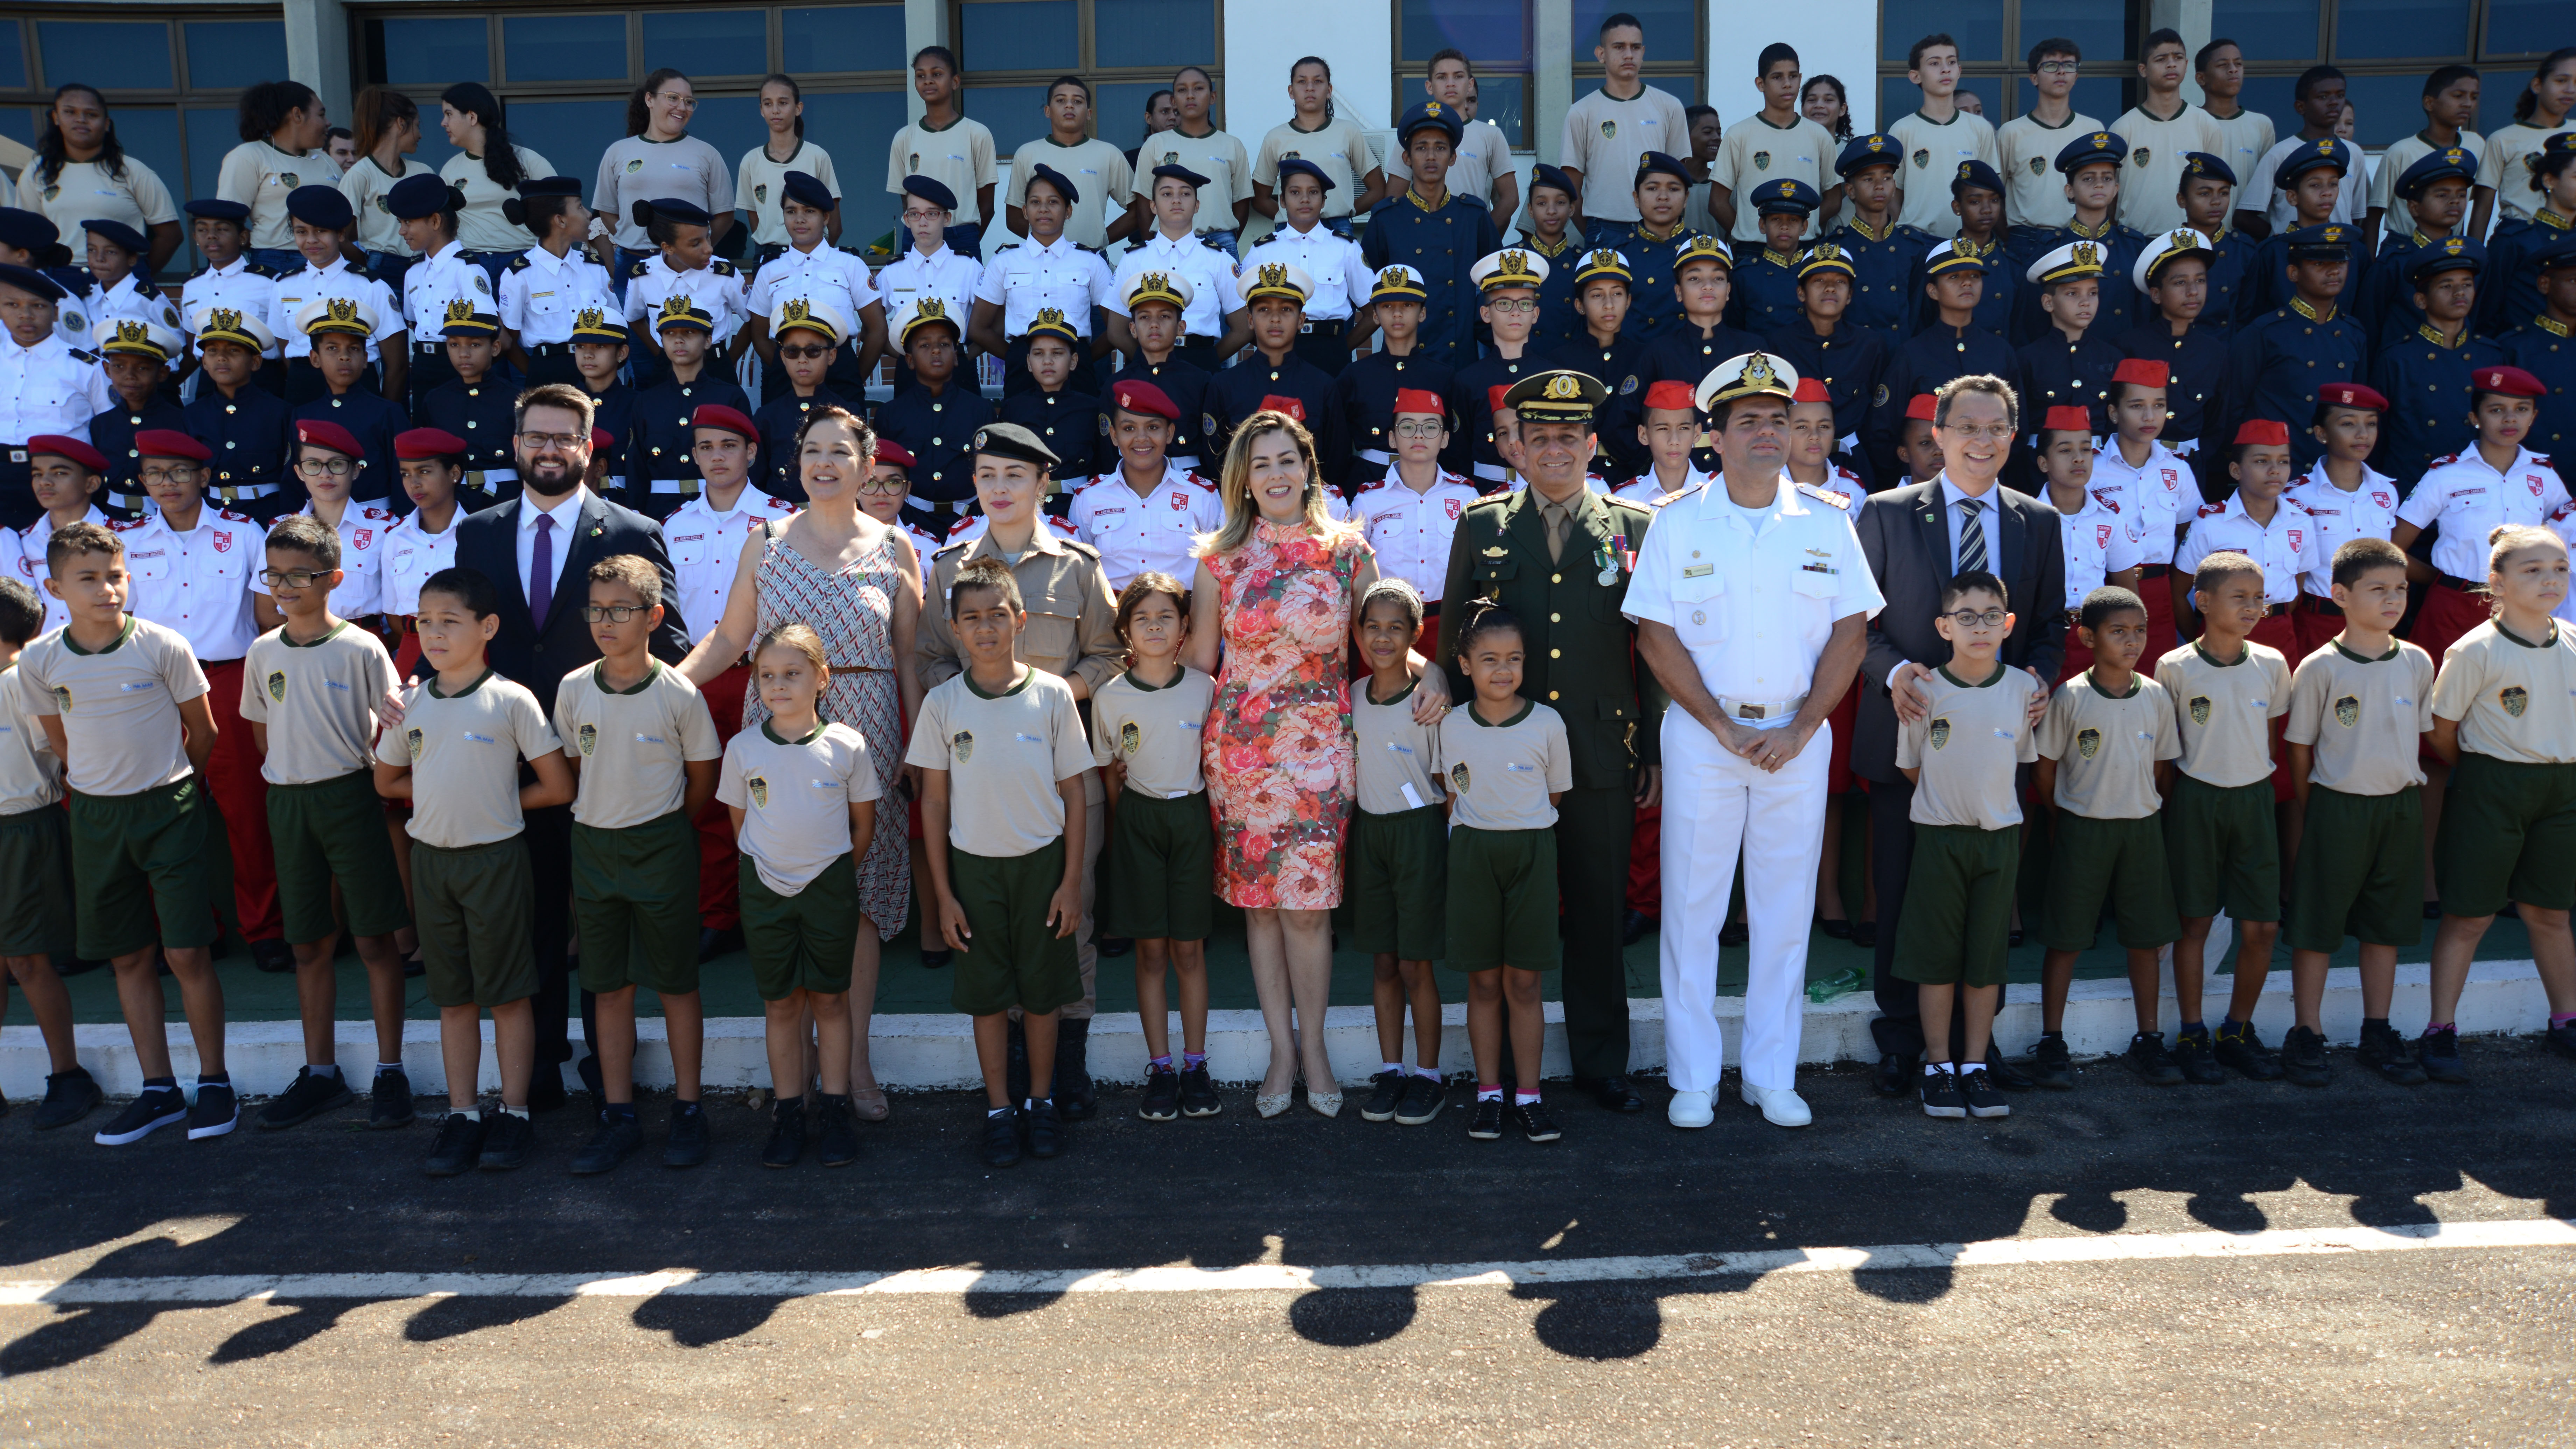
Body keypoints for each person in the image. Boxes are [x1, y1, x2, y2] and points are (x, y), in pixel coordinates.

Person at [1626, 352, 1874, 1129]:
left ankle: (1771, 1074)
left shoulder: (1827, 521)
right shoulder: (1677, 522)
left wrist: (1802, 727)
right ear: (1715, 436)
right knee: (1694, 911)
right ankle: (1693, 1078)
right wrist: (1719, 725)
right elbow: (1655, 636)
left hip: (1797, 736)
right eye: (1750, 421)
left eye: (1780, 419)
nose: (1769, 433)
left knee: (1783, 911)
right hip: (1706, 735)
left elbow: (1851, 630)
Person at [451, 384, 690, 1110]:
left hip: (604, 761)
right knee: (529, 918)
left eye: (565, 438)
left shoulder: (632, 529)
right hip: (507, 757)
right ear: (515, 443)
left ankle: (607, 1072)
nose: (549, 450)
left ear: (589, 447)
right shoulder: (478, 531)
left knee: (603, 921)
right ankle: (543, 1064)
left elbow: (670, 642)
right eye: (536, 437)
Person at [1186, 410, 1432, 1114]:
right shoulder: (1217, 559)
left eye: (1285, 461)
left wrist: (1431, 671)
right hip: (1239, 754)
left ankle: (1316, 1047)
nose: (1275, 475)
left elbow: (1383, 640)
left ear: (1307, 469)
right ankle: (1280, 1052)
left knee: (1308, 908)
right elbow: (1201, 665)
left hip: (1321, 750)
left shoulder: (1348, 552)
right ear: (1243, 478)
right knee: (1261, 912)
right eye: (1260, 464)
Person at [682, 404, 916, 1121]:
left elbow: (909, 656)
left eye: (839, 452)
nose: (824, 463)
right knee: (782, 887)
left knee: (860, 901)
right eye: (811, 450)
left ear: (866, 465)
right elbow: (729, 640)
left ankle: (855, 1065)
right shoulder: (767, 541)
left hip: (870, 729)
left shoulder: (895, 547)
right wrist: (660, 687)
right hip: (776, 728)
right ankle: (799, 1062)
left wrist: (914, 744)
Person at [1438, 372, 1657, 1114]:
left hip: (1599, 749)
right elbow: (1451, 650)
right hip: (1501, 755)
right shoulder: (1482, 527)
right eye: (1539, 439)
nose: (1554, 450)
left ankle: (1601, 1061)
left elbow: (1653, 649)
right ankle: (1498, 1071)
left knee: (1597, 911)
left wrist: (1651, 749)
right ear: (1517, 449)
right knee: (1501, 914)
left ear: (1592, 444)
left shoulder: (1633, 529)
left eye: (1569, 437)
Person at [1854, 374, 2065, 1092]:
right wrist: (1892, 675)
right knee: (1903, 886)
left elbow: (2044, 631)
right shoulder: (1884, 514)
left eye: (1997, 429)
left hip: (1992, 743)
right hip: (1909, 734)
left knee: (1986, 898)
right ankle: (1901, 1037)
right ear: (1936, 435)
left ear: (2013, 438)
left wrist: (2038, 678)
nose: (1982, 441)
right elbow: (1857, 625)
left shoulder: (2035, 521)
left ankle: (1976, 1047)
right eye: (1966, 428)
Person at [918, 424, 1116, 1106]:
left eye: (1013, 475)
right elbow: (931, 659)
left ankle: (1068, 1064)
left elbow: (1108, 656)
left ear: (1041, 484)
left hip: (1058, 765)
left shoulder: (1077, 567)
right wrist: (987, 695)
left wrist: (1047, 697)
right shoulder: (948, 568)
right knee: (989, 919)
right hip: (980, 774)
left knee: (1072, 914)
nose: (998, 488)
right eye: (986, 475)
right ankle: (1008, 1075)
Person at [24, 521, 230, 1145]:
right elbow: (60, 743)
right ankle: (160, 1090)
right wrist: (101, 787)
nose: (107, 590)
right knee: (129, 956)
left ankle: (214, 1084)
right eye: (88, 579)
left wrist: (170, 788)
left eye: (114, 576)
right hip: (94, 819)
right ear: (55, 587)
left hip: (170, 808)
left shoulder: (163, 644)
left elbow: (206, 733)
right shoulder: (39, 659)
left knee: (188, 951)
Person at [373, 565, 572, 1171]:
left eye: (449, 622)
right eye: (423, 622)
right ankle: (462, 1115)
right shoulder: (410, 703)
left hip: (497, 862)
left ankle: (513, 1114)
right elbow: (387, 779)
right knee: (454, 999)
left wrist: (493, 800)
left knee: (510, 995)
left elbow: (558, 785)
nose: (433, 634)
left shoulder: (511, 699)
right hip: (433, 864)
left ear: (487, 627)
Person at [909, 556, 1090, 1166]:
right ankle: (998, 1108)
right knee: (988, 997)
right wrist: (944, 895)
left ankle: (1040, 1101)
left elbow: (1074, 793)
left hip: (1042, 868)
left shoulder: (1052, 694)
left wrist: (1071, 882)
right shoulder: (943, 703)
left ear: (1022, 619)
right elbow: (933, 803)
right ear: (955, 628)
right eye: (971, 618)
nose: (985, 628)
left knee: (1042, 997)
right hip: (974, 871)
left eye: (997, 615)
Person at [238, 513, 412, 1130]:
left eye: (300, 576)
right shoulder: (262, 652)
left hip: (350, 798)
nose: (285, 587)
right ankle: (320, 1074)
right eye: (275, 576)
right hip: (289, 802)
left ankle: (391, 1071)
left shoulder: (362, 646)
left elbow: (394, 725)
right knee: (308, 943)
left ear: (333, 578)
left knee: (375, 940)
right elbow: (263, 735)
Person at [552, 554, 723, 1173]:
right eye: (596, 610)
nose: (605, 622)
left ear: (653, 617)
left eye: (620, 611)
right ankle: (618, 1115)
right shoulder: (574, 688)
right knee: (607, 986)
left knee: (677, 983)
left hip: (662, 848)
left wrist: (666, 822)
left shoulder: (678, 693)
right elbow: (575, 769)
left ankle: (688, 1108)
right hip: (594, 850)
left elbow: (702, 778)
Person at [115, 429, 288, 974]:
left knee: (247, 812)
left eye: (179, 472)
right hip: (156, 686)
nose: (167, 484)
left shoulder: (244, 534)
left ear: (205, 477)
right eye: (155, 474)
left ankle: (264, 930)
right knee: (163, 812)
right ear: (142, 482)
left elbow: (266, 620)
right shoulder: (127, 541)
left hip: (230, 680)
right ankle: (188, 932)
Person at [2273, 536, 2435, 1089]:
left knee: (2384, 926)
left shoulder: (2416, 660)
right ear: (2339, 595)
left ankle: (2377, 1029)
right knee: (2318, 926)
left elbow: (2416, 738)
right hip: (2337, 807)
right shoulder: (2320, 667)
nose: (2393, 600)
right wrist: (2318, 805)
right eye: (2378, 590)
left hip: (2398, 808)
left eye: (2401, 590)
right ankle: (2308, 1033)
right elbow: (2299, 748)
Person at [718, 622, 877, 1168]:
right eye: (767, 676)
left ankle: (834, 1111)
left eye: (792, 673)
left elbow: (863, 828)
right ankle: (790, 1112)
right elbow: (741, 825)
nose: (778, 685)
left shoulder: (847, 745)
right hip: (765, 889)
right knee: (782, 1002)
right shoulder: (742, 750)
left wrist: (826, 873)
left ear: (823, 678)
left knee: (831, 999)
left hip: (829, 887)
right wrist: (779, 869)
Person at [2426, 524, 2576, 1073]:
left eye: (2559, 567)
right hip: (2491, 787)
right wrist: (2482, 769)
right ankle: (2440, 1029)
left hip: (2562, 791)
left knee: (2551, 912)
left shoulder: (2574, 639)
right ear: (2498, 582)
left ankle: (2566, 1019)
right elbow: (2443, 730)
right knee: (2469, 915)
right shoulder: (2475, 650)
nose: (2550, 579)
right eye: (2532, 570)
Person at [1889, 567, 2037, 1120]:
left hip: (1998, 841)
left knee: (1985, 961)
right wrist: (1947, 807)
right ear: (1943, 626)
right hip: (1938, 839)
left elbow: (2020, 761)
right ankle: (1938, 1066)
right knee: (1937, 960)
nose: (1981, 628)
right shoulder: (1924, 690)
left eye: (1992, 617)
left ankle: (1975, 1065)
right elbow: (1912, 768)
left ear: (2009, 624)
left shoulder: (2025, 689)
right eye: (1966, 617)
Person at [2030, 585, 2184, 1088]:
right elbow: (2046, 770)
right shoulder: (2069, 697)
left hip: (2141, 830)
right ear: (2088, 637)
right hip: (2082, 830)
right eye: (2119, 632)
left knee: (2146, 938)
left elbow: (2163, 770)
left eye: (2139, 631)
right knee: (2067, 938)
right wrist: (2066, 816)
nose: (2132, 641)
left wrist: (2141, 809)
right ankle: (2052, 1040)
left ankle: (2149, 1038)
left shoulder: (2157, 696)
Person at [1437, 597, 1572, 1141]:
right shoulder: (1449, 726)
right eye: (1489, 659)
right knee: (1485, 981)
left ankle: (1531, 1096)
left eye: (1514, 658)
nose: (1503, 670)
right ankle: (1489, 1094)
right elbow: (1450, 795)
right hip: (1472, 855)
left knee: (1524, 981)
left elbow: (1557, 793)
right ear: (1465, 665)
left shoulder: (1547, 723)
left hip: (1533, 854)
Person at [1089, 572, 1218, 1120]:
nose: (1155, 626)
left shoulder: (1205, 688)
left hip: (1191, 817)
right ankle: (1161, 1067)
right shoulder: (1110, 697)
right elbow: (1109, 774)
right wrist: (1130, 824)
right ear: (1126, 631)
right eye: (1142, 618)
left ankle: (1195, 1064)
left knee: (1189, 949)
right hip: (1139, 821)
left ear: (1185, 627)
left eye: (1166, 616)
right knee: (1150, 951)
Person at [1348, 576, 1448, 1126]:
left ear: (1414, 635)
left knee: (1416, 964)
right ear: (1358, 633)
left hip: (1419, 835)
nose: (1382, 638)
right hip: (1371, 835)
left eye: (1395, 628)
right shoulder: (1353, 698)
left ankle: (1427, 1076)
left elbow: (1448, 786)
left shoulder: (1429, 703)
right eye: (1372, 627)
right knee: (1383, 961)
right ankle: (1391, 1071)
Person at [0, 573, 98, 1130]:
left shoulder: (21, 683)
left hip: (23, 828)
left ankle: (68, 1076)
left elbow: (59, 753)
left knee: (28, 960)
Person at [2397, 365, 2570, 660]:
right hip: (2453, 605)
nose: (2510, 418)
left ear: (2534, 417)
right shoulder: (2446, 474)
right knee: (2438, 696)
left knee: (2515, 698)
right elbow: (2393, 547)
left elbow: (2567, 538)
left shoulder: (2545, 477)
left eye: (2521, 409)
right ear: (2475, 418)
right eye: (2496, 410)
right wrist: (2439, 580)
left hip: (2522, 607)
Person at [1362, 102, 1500, 371]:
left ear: (1452, 157)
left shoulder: (1473, 216)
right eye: (1421, 147)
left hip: (1460, 357)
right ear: (1407, 158)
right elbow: (1370, 287)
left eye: (1440, 148)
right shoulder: (1387, 219)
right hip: (1404, 357)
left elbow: (1492, 287)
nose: (1431, 156)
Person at [2218, 224, 2366, 474]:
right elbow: (2232, 408)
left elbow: (2360, 409)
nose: (2333, 271)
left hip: (2330, 473)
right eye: (2319, 264)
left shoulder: (2354, 333)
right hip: (2276, 473)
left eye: (2341, 263)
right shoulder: (2265, 333)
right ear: (2293, 273)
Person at [969, 164, 1118, 399]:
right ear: (1025, 211)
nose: (1044, 210)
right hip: (1022, 365)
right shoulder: (1005, 262)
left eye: (1053, 202)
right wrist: (1016, 355)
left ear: (1068, 211)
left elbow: (1115, 329)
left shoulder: (1090, 262)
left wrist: (1084, 355)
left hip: (1076, 365)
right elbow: (978, 328)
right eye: (1035, 202)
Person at [1869, 242, 2013, 481]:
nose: (1967, 283)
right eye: (1954, 277)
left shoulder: (2001, 352)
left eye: (1974, 276)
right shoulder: (1912, 354)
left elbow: (2017, 427)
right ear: (1933, 291)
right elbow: (1883, 431)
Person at [2369, 238, 2504, 487]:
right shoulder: (2397, 357)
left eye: (2467, 284)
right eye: (2446, 286)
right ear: (2421, 300)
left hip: (2472, 487)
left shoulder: (2490, 356)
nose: (2460, 293)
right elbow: (2379, 434)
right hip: (2412, 485)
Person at [1066, 379, 1222, 594]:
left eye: (1153, 427)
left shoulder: (1201, 496)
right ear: (1114, 435)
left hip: (1183, 616)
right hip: (1111, 617)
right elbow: (1078, 572)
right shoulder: (1089, 498)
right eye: (1129, 428)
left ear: (1169, 433)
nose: (1141, 438)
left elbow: (1219, 571)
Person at [741, 176, 884, 407]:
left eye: (809, 211)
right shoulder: (770, 271)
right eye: (791, 211)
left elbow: (877, 329)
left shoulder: (850, 265)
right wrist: (786, 366)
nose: (799, 219)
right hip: (785, 375)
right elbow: (759, 335)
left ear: (826, 217)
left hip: (839, 372)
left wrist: (852, 374)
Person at [1346, 387, 1478, 637]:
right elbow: (1353, 570)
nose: (1419, 436)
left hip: (1451, 624)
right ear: (1392, 439)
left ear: (1445, 439)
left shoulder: (1467, 497)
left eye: (1430, 427)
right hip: (1388, 627)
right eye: (1407, 427)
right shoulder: (1368, 501)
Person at [1205, 262, 1349, 481]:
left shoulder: (1323, 386)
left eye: (1286, 310)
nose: (1275, 319)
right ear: (1250, 320)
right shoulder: (1225, 385)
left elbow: (1336, 460)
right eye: (1264, 310)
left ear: (1301, 320)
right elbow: (1215, 460)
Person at [2285, 383, 2398, 656]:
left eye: (2371, 424)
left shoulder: (2387, 490)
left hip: (2375, 622)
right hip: (2317, 621)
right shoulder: (2297, 495)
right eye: (2348, 424)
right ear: (2322, 433)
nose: (2363, 434)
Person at [593, 69, 734, 286]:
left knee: (689, 319)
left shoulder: (707, 154)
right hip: (632, 263)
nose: (682, 107)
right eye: (673, 98)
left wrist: (694, 248)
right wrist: (631, 238)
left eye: (689, 102)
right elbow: (607, 211)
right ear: (650, 99)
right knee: (633, 321)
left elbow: (724, 216)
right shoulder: (618, 152)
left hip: (690, 266)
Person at [1559, 12, 1694, 240]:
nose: (1629, 54)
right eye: (1619, 47)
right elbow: (1571, 189)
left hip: (1659, 229)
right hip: (1603, 229)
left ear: (1643, 52)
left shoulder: (1670, 107)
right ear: (1601, 54)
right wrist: (1595, 233)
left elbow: (1678, 180)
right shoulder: (1581, 112)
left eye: (1635, 47)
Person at [269, 186, 406, 408]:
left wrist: (386, 415)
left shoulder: (371, 286)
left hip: (360, 388)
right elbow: (286, 351)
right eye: (301, 232)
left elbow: (397, 364)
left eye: (321, 231)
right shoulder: (283, 286)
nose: (311, 240)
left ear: (341, 234)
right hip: (303, 390)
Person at [0, 264, 114, 529]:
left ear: (56, 313)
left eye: (38, 306)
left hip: (62, 479)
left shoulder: (86, 367)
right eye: (12, 305)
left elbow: (109, 427)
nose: (25, 315)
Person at [1107, 163, 1248, 375]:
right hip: (1146, 367)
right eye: (1167, 194)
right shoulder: (1133, 260)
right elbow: (1116, 331)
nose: (1176, 200)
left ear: (1197, 205)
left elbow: (1243, 328)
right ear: (1153, 206)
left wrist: (1209, 361)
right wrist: (1143, 361)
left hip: (1200, 364)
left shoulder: (1218, 259)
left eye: (1185, 194)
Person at [24, 84, 180, 274]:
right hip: (62, 278)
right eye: (70, 112)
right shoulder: (38, 170)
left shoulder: (133, 171)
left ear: (106, 124)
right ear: (56, 118)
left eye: (91, 115)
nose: (81, 120)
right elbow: (27, 234)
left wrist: (140, 276)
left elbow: (171, 236)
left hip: (120, 276)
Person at [254, 420, 392, 631]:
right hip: (299, 642)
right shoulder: (280, 530)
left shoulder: (385, 529)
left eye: (336, 464)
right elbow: (266, 612)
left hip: (363, 641)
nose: (325, 474)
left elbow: (398, 612)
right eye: (313, 465)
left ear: (355, 471)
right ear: (299, 473)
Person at [1241, 160, 1374, 376]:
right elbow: (1242, 312)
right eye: (1295, 192)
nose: (1305, 199)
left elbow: (1372, 312)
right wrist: (1267, 348)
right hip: (1277, 353)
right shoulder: (1262, 252)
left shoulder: (1345, 248)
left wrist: (1342, 348)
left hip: (1330, 351)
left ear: (1323, 201)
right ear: (1282, 201)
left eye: (1313, 192)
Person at [625, 296, 751, 521]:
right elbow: (637, 470)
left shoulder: (730, 397)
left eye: (689, 333)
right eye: (670, 334)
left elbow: (748, 463)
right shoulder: (646, 402)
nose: (679, 341)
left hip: (718, 509)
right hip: (659, 512)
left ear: (708, 341)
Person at [873, 300, 991, 535]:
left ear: (956, 356)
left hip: (972, 524)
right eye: (925, 345)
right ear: (909, 360)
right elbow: (884, 479)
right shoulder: (890, 414)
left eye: (945, 344)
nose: (936, 351)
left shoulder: (980, 411)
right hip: (910, 523)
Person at [1709, 45, 1841, 247]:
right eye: (1778, 77)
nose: (1788, 84)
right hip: (1753, 250)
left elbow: (1834, 199)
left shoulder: (1819, 136)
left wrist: (1803, 226)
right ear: (1761, 84)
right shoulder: (1740, 134)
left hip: (1804, 248)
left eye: (1793, 76)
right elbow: (1718, 203)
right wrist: (1748, 232)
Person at [1337, 265, 1456, 489]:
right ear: (1375, 314)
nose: (1397, 314)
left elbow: (1454, 446)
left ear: (1423, 313)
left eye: (1408, 305)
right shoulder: (1356, 375)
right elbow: (1338, 445)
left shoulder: (1442, 376)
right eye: (1387, 306)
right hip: (1368, 482)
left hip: (1428, 485)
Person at [289, 295, 409, 506]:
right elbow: (293, 482)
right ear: (315, 359)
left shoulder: (388, 413)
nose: (344, 357)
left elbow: (403, 480)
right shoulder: (303, 416)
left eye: (353, 349)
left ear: (365, 359)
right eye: (332, 348)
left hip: (378, 523)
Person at [496, 177, 613, 390]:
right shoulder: (520, 275)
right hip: (548, 372)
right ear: (560, 221)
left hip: (598, 369)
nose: (589, 214)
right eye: (579, 207)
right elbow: (508, 341)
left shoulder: (594, 267)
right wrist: (536, 372)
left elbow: (617, 323)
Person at [2106, 29, 2224, 239]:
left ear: (2186, 65)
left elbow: (2218, 187)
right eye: (2161, 59)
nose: (2171, 64)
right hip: (2134, 240)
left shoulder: (2205, 123)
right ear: (2143, 69)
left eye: (2178, 58)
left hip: (2191, 241)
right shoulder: (2123, 127)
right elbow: (2110, 195)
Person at [1455, 249, 1558, 488]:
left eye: (1524, 303)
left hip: (1544, 487)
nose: (1515, 312)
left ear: (1536, 314)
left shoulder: (1552, 376)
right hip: (1484, 490)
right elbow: (1459, 453)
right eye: (1503, 303)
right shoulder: (1468, 380)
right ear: (1485, 314)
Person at [181, 303, 294, 521]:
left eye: (234, 350)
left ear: (256, 362)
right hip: (212, 517)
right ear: (204, 361)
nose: (222, 358)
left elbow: (292, 478)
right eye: (213, 351)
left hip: (267, 516)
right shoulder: (193, 415)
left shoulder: (280, 412)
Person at [874, 178, 986, 397]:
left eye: (932, 214)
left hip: (959, 371)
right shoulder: (893, 272)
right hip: (910, 370)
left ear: (947, 218)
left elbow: (994, 323)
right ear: (907, 220)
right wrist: (903, 356)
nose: (922, 223)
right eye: (914, 214)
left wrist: (965, 356)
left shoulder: (969, 268)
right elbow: (873, 328)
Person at [619, 199, 747, 392]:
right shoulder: (643, 276)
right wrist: (660, 353)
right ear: (668, 248)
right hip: (667, 369)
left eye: (708, 238)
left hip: (715, 366)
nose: (709, 249)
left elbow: (753, 318)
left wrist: (728, 359)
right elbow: (634, 319)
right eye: (696, 244)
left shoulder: (724, 274)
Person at [2360, 149, 2479, 353]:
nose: (2454, 201)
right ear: (2414, 208)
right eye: (2442, 195)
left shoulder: (2470, 259)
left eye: (2461, 194)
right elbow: (2369, 325)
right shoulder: (2394, 262)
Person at [217, 80, 337, 273]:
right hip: (274, 260)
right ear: (298, 115)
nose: (328, 123)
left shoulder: (327, 161)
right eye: (321, 115)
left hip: (329, 260)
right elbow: (226, 222)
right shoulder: (248, 156)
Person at [1008, 77, 1140, 253]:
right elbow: (1014, 217)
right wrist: (1049, 242)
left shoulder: (1109, 154)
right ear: (1048, 111)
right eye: (1061, 100)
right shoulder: (1027, 154)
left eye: (1078, 101)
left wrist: (1101, 239)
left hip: (1092, 259)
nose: (1069, 106)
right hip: (1043, 258)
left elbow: (1138, 210)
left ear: (1089, 113)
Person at [884, 48, 995, 257]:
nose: (928, 81)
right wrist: (922, 226)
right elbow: (905, 198)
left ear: (955, 82)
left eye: (936, 74)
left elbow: (987, 206)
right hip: (917, 235)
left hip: (962, 234)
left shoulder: (977, 134)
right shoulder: (904, 138)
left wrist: (962, 235)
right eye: (920, 76)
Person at [1887, 35, 1999, 241]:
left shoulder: (1980, 128)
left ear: (1959, 71)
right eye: (1935, 63)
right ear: (1915, 76)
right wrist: (1902, 236)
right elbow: (1895, 193)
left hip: (1967, 242)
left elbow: (1990, 190)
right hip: (1915, 241)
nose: (1946, 69)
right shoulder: (1903, 130)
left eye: (1951, 62)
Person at [1254, 57, 1384, 233]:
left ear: (1329, 90)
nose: (1310, 88)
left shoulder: (1348, 132)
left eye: (1318, 81)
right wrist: (1289, 216)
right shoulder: (1276, 138)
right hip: (1290, 230)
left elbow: (1378, 189)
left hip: (1338, 229)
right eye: (1302, 82)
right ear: (1291, 91)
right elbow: (1259, 198)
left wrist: (1345, 212)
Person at [1998, 40, 2101, 255]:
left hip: (2080, 238)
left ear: (2076, 76)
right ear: (2034, 78)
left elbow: (2104, 191)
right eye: (2052, 66)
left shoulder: (2093, 130)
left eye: (2069, 66)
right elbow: (1995, 195)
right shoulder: (2011, 132)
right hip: (2027, 240)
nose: (2061, 72)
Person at [2015, 240, 2122, 446]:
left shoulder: (2111, 358)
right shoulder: (2028, 359)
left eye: (2093, 293)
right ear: (2048, 303)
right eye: (2073, 294)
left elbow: (2116, 426)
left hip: (2099, 464)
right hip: (2040, 463)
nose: (2086, 302)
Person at [1827, 133, 1930, 337]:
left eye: (1887, 177)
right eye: (1868, 179)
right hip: (1854, 357)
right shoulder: (1836, 249)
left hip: (1901, 357)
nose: (1880, 186)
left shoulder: (1912, 247)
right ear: (1851, 190)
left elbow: (1920, 316)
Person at [413, 303, 516, 506]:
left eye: (475, 345)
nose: (464, 354)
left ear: (495, 348)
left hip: (505, 501)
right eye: (454, 345)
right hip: (451, 499)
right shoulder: (436, 400)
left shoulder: (517, 399)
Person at [384, 428, 468, 677]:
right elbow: (392, 614)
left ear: (454, 473)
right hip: (412, 646)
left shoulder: (477, 534)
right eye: (405, 474)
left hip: (465, 650)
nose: (414, 483)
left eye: (424, 471)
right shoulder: (396, 538)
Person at [2368, 67, 2485, 244]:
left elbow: (2470, 201)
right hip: (2405, 248)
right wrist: (2370, 267)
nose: (2468, 103)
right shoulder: (2401, 151)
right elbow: (2374, 214)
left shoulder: (2476, 144)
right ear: (2429, 103)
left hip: (2450, 248)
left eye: (2474, 97)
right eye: (2458, 96)